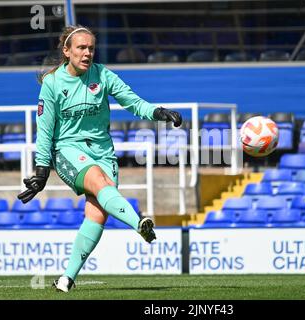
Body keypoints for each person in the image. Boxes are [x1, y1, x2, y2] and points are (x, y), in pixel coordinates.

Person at [17, 25, 182, 293]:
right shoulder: (52, 83)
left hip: (103, 150)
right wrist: (42, 170)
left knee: (97, 214)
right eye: (81, 48)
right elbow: (45, 130)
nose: (87, 53)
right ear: (67, 51)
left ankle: (65, 279)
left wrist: (159, 112)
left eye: (91, 48)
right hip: (68, 150)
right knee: (99, 181)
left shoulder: (103, 75)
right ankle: (138, 223)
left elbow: (134, 102)